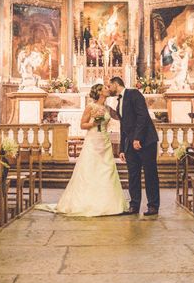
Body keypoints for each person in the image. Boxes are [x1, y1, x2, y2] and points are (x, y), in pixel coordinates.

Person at [36, 84, 129, 216]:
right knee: (90, 169)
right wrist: (94, 123)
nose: (108, 89)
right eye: (105, 88)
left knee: (107, 170)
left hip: (105, 141)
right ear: (99, 92)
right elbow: (82, 125)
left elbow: (120, 117)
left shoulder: (107, 108)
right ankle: (89, 202)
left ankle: (109, 203)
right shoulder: (90, 107)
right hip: (93, 141)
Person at [108, 76, 160, 216]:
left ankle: (153, 205)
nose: (108, 88)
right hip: (130, 143)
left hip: (146, 140)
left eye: (109, 85)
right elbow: (124, 125)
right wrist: (122, 149)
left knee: (150, 174)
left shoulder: (134, 93)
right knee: (133, 175)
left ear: (116, 84)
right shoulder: (119, 102)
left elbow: (142, 116)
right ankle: (134, 205)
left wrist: (138, 138)